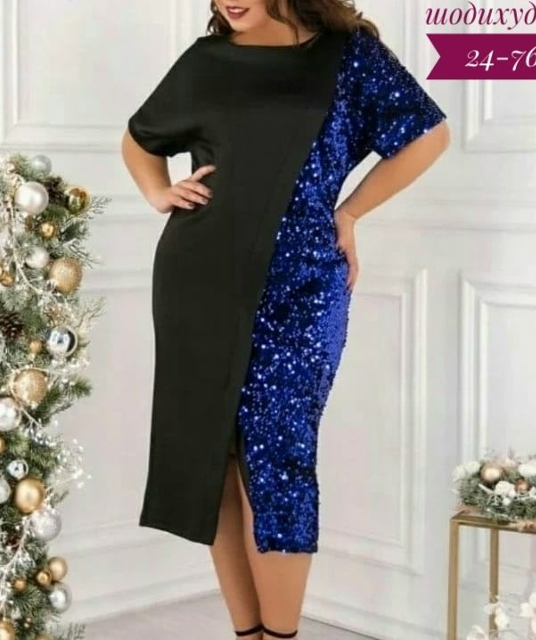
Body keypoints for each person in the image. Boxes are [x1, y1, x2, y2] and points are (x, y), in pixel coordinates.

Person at [122, 1, 449, 638]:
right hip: (200, 276)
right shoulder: (206, 60)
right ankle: (248, 634)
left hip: (303, 283)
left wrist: (349, 212)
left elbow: (427, 135)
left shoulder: (350, 56)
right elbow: (139, 140)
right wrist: (157, 191)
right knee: (213, 453)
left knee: (279, 459)